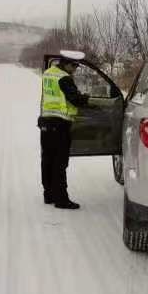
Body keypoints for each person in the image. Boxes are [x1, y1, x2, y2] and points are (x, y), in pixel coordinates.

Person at [38, 55, 94, 210]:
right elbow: (74, 99)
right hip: (60, 124)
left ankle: (49, 194)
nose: (75, 70)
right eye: (74, 66)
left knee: (47, 160)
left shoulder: (48, 73)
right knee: (59, 163)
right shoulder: (64, 78)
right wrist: (86, 99)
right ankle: (61, 199)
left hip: (46, 122)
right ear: (67, 64)